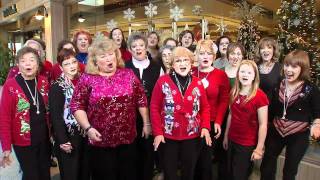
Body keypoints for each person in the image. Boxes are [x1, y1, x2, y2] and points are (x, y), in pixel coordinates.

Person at [70, 37, 150, 180]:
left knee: (129, 175)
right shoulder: (87, 78)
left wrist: (146, 123)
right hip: (100, 141)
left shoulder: (128, 74)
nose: (108, 59)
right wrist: (88, 128)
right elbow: (77, 105)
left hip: (128, 140)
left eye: (111, 54)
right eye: (103, 56)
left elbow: (141, 98)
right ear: (95, 60)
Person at [151, 46, 212, 180]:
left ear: (191, 63)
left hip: (192, 136)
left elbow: (205, 108)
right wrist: (158, 133)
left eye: (186, 60)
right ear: (172, 64)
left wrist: (205, 127)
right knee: (170, 174)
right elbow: (154, 107)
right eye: (178, 61)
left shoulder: (198, 83)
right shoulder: (162, 82)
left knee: (188, 173)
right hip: (168, 136)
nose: (182, 63)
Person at [260, 50, 320, 180]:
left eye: (294, 66)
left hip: (298, 135)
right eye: (286, 65)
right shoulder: (278, 84)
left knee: (289, 171)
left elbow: (317, 112)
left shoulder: (311, 89)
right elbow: (270, 110)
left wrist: (317, 125)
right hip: (276, 130)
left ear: (302, 68)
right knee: (267, 166)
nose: (288, 69)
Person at [0, 47, 51, 180]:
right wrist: (6, 147)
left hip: (44, 138)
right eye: (23, 60)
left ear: (38, 63)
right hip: (23, 141)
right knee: (31, 175)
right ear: (18, 65)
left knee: (45, 174)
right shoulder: (10, 86)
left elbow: (49, 110)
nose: (27, 63)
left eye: (31, 60)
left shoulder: (44, 81)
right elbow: (4, 117)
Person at [223, 60, 269, 180]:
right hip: (232, 139)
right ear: (238, 74)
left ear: (254, 76)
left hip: (246, 144)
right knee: (229, 173)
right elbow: (231, 115)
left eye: (249, 72)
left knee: (240, 175)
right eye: (242, 71)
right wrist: (226, 136)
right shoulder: (234, 92)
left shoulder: (260, 96)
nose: (245, 75)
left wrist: (259, 148)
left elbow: (263, 124)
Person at [126, 33, 162, 180]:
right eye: (134, 46)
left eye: (141, 45)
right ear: (129, 49)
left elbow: (161, 94)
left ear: (146, 47)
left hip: (150, 116)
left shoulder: (156, 66)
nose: (138, 49)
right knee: (131, 155)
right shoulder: (125, 67)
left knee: (148, 153)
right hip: (130, 118)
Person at [192, 40, 230, 180]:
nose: (205, 56)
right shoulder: (190, 71)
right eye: (202, 53)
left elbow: (224, 100)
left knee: (206, 162)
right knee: (192, 161)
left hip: (211, 122)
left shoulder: (220, 75)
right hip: (191, 122)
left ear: (214, 57)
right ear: (197, 56)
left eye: (209, 53)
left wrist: (219, 121)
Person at [49, 48, 89, 180]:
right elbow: (55, 116)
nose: (72, 66)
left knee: (85, 171)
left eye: (74, 62)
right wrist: (62, 140)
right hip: (69, 135)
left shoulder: (85, 80)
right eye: (67, 64)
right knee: (71, 173)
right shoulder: (57, 86)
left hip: (86, 132)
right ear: (60, 67)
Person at [255, 37, 281, 102]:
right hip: (256, 105)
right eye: (262, 48)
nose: (266, 50)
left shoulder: (280, 68)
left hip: (274, 106)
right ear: (259, 51)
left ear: (273, 50)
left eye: (269, 47)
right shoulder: (254, 66)